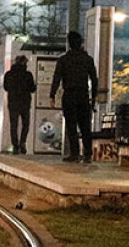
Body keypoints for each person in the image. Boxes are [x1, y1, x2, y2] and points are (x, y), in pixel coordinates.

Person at [49, 31, 98, 163]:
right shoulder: (87, 59)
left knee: (71, 126)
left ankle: (75, 154)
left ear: (69, 44)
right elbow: (94, 80)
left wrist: (52, 95)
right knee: (85, 126)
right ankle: (88, 154)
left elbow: (56, 78)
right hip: (83, 96)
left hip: (69, 95)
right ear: (80, 42)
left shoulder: (64, 60)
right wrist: (93, 99)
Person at [3, 55, 36, 154]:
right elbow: (32, 89)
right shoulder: (28, 75)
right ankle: (22, 142)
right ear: (24, 63)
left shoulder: (9, 74)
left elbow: (5, 87)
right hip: (25, 103)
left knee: (14, 125)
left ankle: (15, 146)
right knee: (26, 124)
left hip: (13, 103)